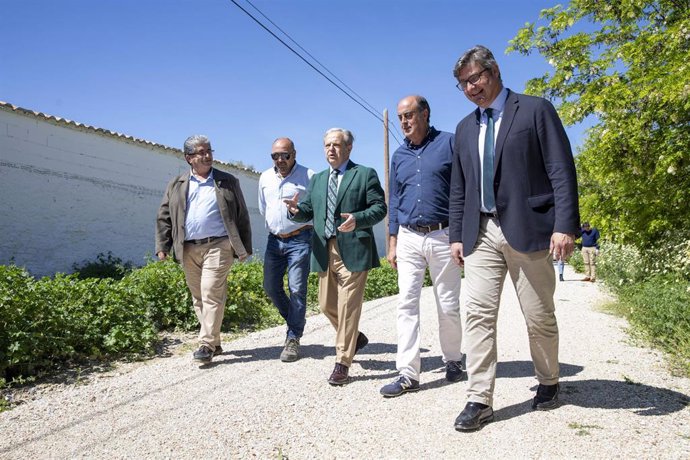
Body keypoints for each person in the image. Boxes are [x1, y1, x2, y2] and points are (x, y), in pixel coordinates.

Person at [448, 46, 580, 431]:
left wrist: (564, 224)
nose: (471, 88)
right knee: (477, 315)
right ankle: (478, 398)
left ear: (494, 71)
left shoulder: (535, 110)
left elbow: (561, 169)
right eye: (463, 84)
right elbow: (460, 188)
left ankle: (549, 381)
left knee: (539, 316)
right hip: (481, 232)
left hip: (531, 227)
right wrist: (457, 234)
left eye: (475, 78)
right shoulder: (464, 128)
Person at [284, 128, 387, 385]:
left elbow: (379, 208)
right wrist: (296, 210)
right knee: (325, 304)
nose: (331, 149)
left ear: (348, 148)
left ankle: (342, 361)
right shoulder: (318, 179)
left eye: (337, 145)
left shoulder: (364, 174)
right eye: (327, 145)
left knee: (347, 305)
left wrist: (359, 219)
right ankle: (355, 337)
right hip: (323, 249)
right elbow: (309, 210)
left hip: (352, 247)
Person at [379, 95, 464, 398]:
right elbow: (394, 200)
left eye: (409, 115)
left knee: (448, 304)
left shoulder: (449, 144)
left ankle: (453, 360)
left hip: (443, 236)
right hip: (408, 237)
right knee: (406, 304)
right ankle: (407, 373)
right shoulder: (399, 156)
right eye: (401, 116)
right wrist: (392, 242)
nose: (404, 121)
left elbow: (463, 190)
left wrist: (461, 236)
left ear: (425, 114)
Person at [156, 135, 252, 364]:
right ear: (189, 158)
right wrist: (163, 246)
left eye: (209, 151)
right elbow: (164, 216)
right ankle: (215, 341)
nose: (207, 155)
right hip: (188, 247)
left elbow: (241, 215)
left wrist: (243, 248)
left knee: (211, 292)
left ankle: (206, 344)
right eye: (201, 152)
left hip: (219, 245)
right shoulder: (177, 184)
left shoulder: (227, 181)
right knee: (198, 297)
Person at [258, 138, 314, 362]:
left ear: (294, 154)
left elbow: (316, 209)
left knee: (297, 288)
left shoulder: (309, 176)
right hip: (274, 240)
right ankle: (295, 319)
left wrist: (299, 212)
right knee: (270, 287)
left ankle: (293, 337)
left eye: (285, 155)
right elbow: (264, 207)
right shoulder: (264, 177)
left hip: (300, 238)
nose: (280, 160)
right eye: (275, 156)